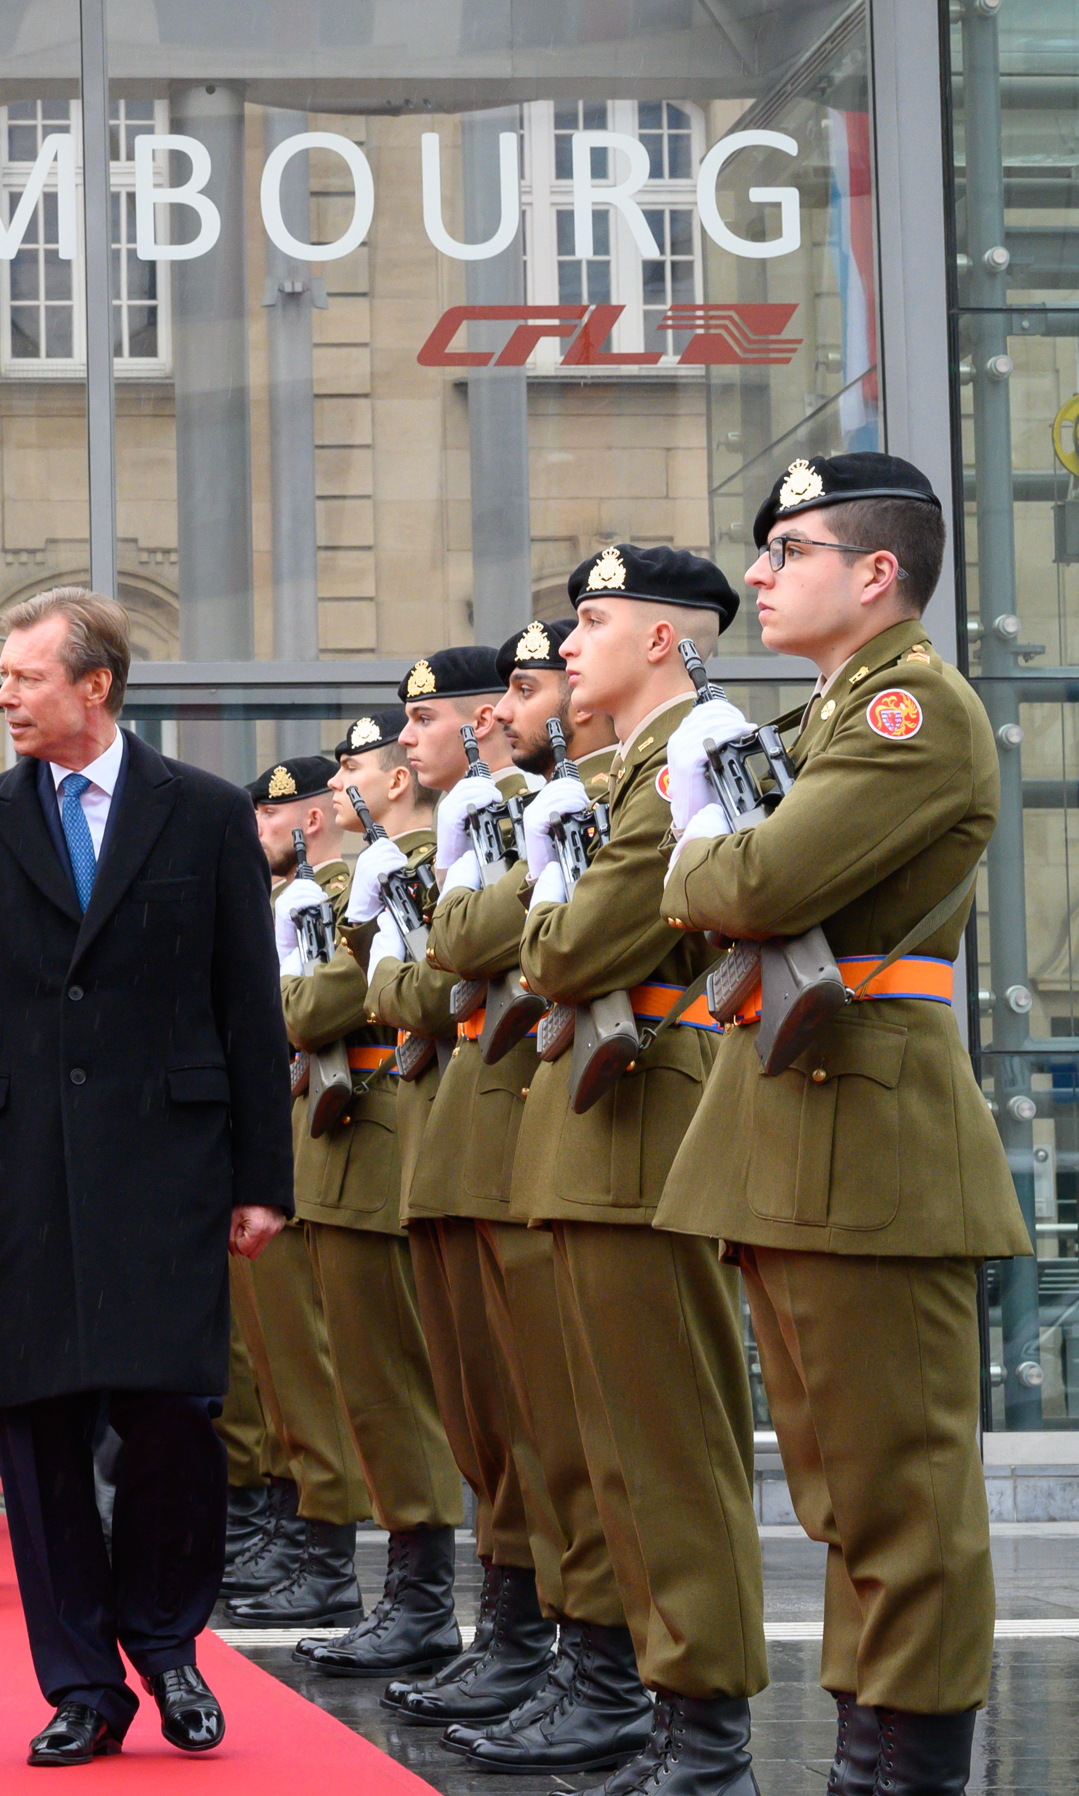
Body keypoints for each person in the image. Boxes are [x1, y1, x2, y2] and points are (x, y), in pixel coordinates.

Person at [659, 454, 1031, 1796]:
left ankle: (906, 1771)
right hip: (805, 1138)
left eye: (791, 547)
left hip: (870, 1149)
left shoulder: (909, 714)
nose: (760, 572)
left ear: (876, 572)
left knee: (901, 1498)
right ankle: (872, 1761)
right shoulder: (833, 715)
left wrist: (694, 838)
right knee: (841, 1492)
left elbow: (756, 880)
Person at [0, 588, 292, 1767]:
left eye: (25, 676)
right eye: (2, 676)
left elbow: (248, 1005)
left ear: (96, 685)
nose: (4, 694)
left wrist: (262, 1175)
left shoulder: (207, 813)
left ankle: (166, 1642)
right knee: (41, 1435)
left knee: (173, 1419)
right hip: (16, 1171)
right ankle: (81, 1682)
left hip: (167, 1168)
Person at [502, 544, 770, 1792]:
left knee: (669, 1447)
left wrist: (545, 931)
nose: (567, 647)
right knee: (608, 1448)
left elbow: (558, 950)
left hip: (653, 1126)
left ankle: (705, 1732)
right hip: (595, 1131)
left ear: (664, 637)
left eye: (594, 620)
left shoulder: (679, 765)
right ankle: (647, 1705)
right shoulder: (608, 775)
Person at [385, 621, 617, 1734]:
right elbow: (443, 955)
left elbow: (451, 962)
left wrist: (450, 946)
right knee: (487, 1417)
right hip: (470, 1130)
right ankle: (519, 1635)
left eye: (494, 699)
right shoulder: (479, 815)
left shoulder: (554, 802)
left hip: (533, 1120)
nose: (469, 725)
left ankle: (568, 1656)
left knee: (547, 1424)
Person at [265, 721, 463, 1676]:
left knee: (394, 1387)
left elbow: (312, 1008)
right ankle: (396, 1588)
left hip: (381, 1141)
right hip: (345, 1147)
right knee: (359, 1383)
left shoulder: (387, 875)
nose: (344, 780)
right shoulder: (357, 883)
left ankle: (418, 1594)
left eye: (358, 766)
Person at [225, 729, 380, 1614]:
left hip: (339, 1129)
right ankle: (292, 1534)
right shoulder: (295, 896)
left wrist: (254, 1007)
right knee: (279, 1364)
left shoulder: (348, 886)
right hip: (293, 1129)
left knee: (318, 1369)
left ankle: (325, 1559)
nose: (259, 823)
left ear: (314, 815)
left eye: (274, 807)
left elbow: (323, 1002)